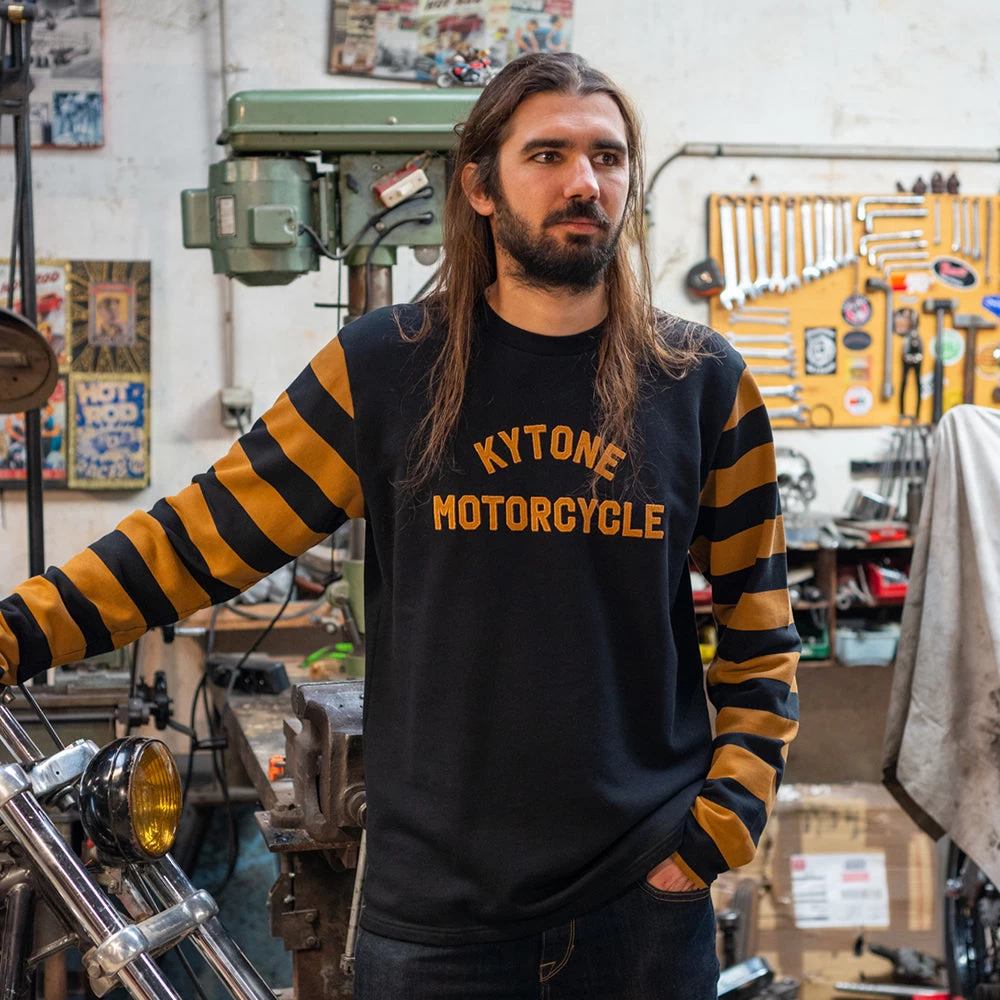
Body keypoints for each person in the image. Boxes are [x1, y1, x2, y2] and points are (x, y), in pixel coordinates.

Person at [0, 53, 799, 999]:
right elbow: (198, 538)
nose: (585, 182)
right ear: (481, 187)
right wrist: (15, 634)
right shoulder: (387, 368)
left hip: (640, 909)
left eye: (608, 156)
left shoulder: (699, 381)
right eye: (547, 154)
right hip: (436, 919)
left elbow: (760, 630)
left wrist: (715, 834)